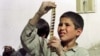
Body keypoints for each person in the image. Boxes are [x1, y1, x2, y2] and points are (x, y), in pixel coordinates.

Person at [21, 1, 89, 56]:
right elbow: (26, 39)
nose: (62, 28)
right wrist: (39, 14)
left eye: (67, 25)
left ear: (78, 32)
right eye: (60, 24)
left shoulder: (82, 53)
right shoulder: (48, 45)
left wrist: (60, 52)